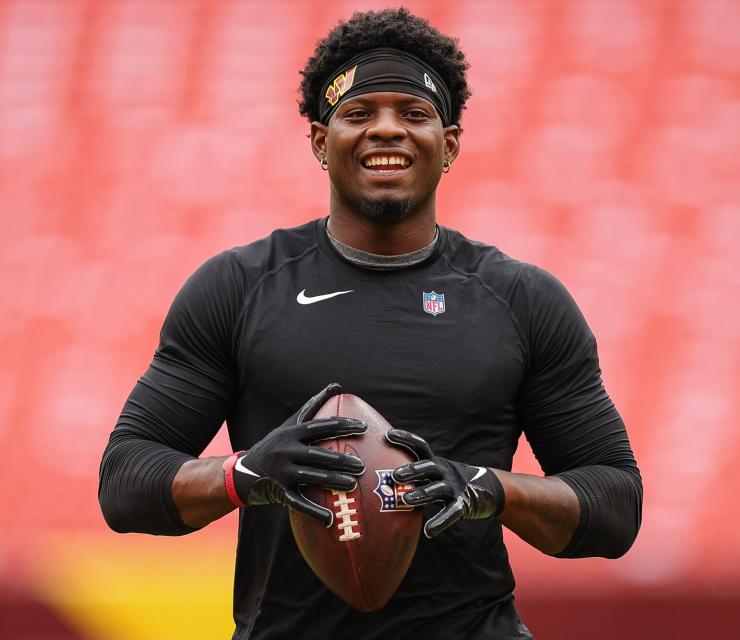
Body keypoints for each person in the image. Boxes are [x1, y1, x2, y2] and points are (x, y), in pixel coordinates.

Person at [98, 8, 642, 639]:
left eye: (413, 114)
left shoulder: (520, 299)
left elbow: (615, 504)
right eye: (359, 114)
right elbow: (125, 480)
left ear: (450, 144)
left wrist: (489, 488)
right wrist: (245, 475)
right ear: (320, 142)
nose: (387, 130)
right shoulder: (239, 287)